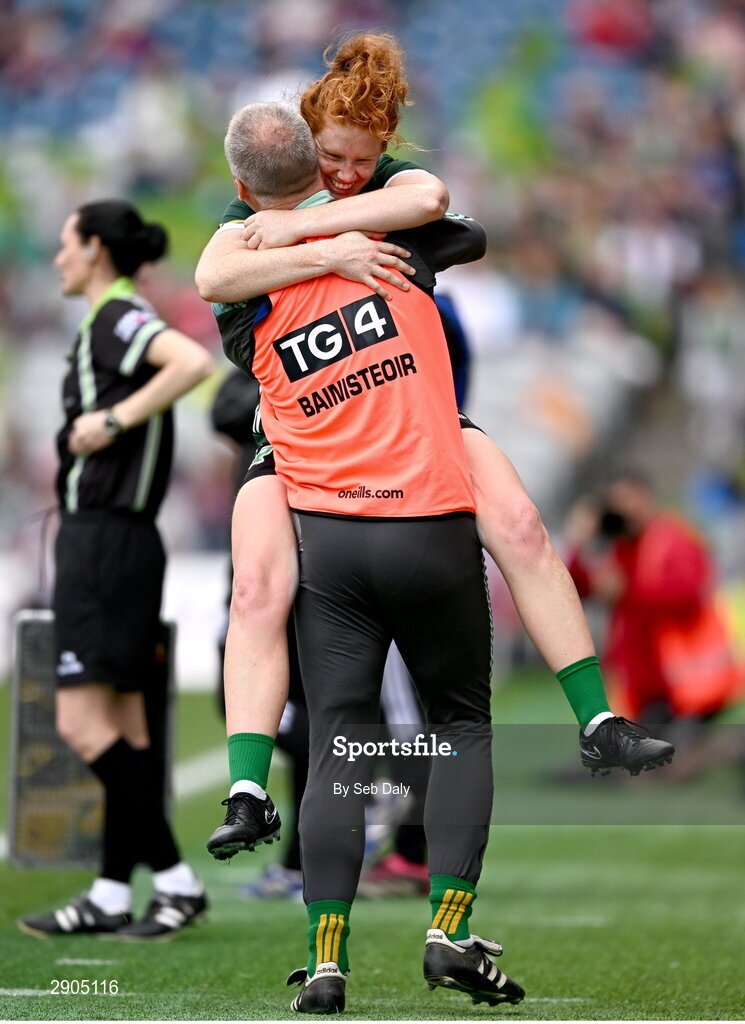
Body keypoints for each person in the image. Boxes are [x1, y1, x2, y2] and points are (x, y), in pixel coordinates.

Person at [197, 32, 674, 860]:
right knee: (257, 588)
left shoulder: (376, 191)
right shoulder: (242, 225)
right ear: (306, 143)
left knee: (522, 529)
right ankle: (248, 790)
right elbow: (213, 278)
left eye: (360, 158)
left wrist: (325, 233)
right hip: (307, 441)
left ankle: (598, 719)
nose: (348, 172)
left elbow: (438, 203)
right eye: (334, 158)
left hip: (414, 423)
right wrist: (330, 250)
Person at [210, 99, 525, 1015]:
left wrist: (304, 237)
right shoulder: (402, 233)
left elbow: (213, 284)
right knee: (457, 712)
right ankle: (448, 917)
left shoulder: (243, 272)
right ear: (329, 162)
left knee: (309, 679)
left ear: (240, 190)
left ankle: (322, 949)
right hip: (426, 502)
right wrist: (353, 222)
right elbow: (446, 212)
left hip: (325, 521)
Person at [18, 200, 213, 940]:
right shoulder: (105, 318)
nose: (59, 257)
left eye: (66, 244)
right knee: (126, 728)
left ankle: (173, 879)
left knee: (79, 722)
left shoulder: (115, 315)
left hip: (103, 545)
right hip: (124, 543)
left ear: (95, 248)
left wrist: (112, 420)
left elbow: (189, 362)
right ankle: (108, 890)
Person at [566, 471, 743, 761]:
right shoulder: (618, 548)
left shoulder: (674, 538)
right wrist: (580, 541)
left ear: (646, 497)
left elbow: (687, 594)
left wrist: (628, 589)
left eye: (629, 500)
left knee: (656, 761)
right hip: (650, 689)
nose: (624, 510)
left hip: (689, 685)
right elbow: (576, 588)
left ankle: (720, 751)